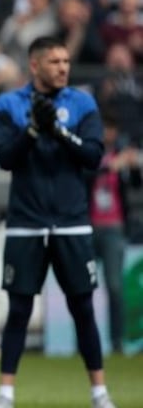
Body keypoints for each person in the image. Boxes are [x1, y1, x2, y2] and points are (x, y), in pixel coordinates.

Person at [0, 36, 115, 408]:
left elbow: (93, 156)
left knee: (83, 308)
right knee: (19, 309)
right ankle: (5, 395)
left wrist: (57, 131)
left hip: (72, 221)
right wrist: (31, 131)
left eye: (66, 61)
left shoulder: (82, 103)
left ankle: (99, 393)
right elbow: (5, 159)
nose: (63, 67)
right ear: (35, 65)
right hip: (26, 222)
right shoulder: (9, 104)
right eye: (55, 62)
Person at [90, 117, 140, 355]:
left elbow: (137, 187)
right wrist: (112, 166)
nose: (106, 134)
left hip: (114, 228)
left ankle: (116, 342)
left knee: (115, 286)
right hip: (88, 227)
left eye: (110, 130)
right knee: (81, 288)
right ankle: (84, 341)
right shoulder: (87, 152)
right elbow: (84, 176)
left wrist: (133, 167)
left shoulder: (122, 156)